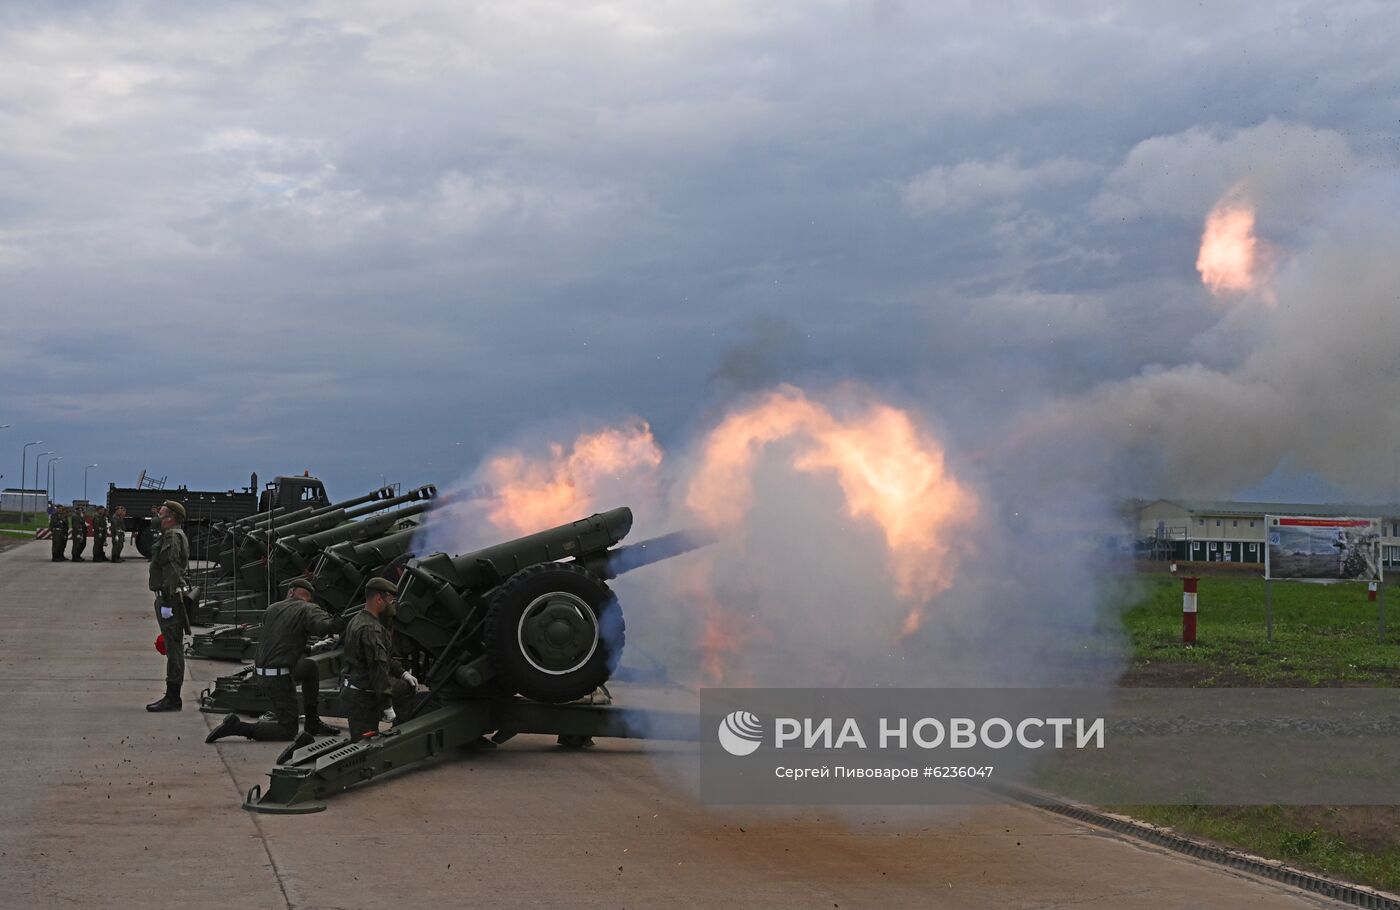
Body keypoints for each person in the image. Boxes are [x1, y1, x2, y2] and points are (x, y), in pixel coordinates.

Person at [205, 578, 343, 752]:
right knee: (288, 730)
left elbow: (282, 640)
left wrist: (310, 648)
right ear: (308, 598)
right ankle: (237, 726)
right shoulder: (307, 608)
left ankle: (312, 722)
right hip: (277, 677)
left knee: (310, 668)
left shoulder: (272, 609)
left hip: (261, 673)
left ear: (291, 592)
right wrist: (341, 621)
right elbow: (324, 627)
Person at [340, 577, 417, 739]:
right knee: (362, 748)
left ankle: (396, 734)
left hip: (355, 689)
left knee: (406, 687)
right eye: (391, 601)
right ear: (379, 599)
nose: (393, 605)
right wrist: (387, 705)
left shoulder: (358, 619)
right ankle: (397, 736)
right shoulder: (371, 629)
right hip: (364, 696)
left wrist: (403, 673)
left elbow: (384, 658)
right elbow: (378, 670)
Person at [146, 500, 190, 712]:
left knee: (173, 647)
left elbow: (172, 567)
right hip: (168, 596)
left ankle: (173, 698)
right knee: (172, 645)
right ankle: (172, 696)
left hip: (169, 598)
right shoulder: (171, 534)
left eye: (161, 514)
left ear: (170, 517)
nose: (157, 517)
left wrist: (167, 598)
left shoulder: (172, 535)